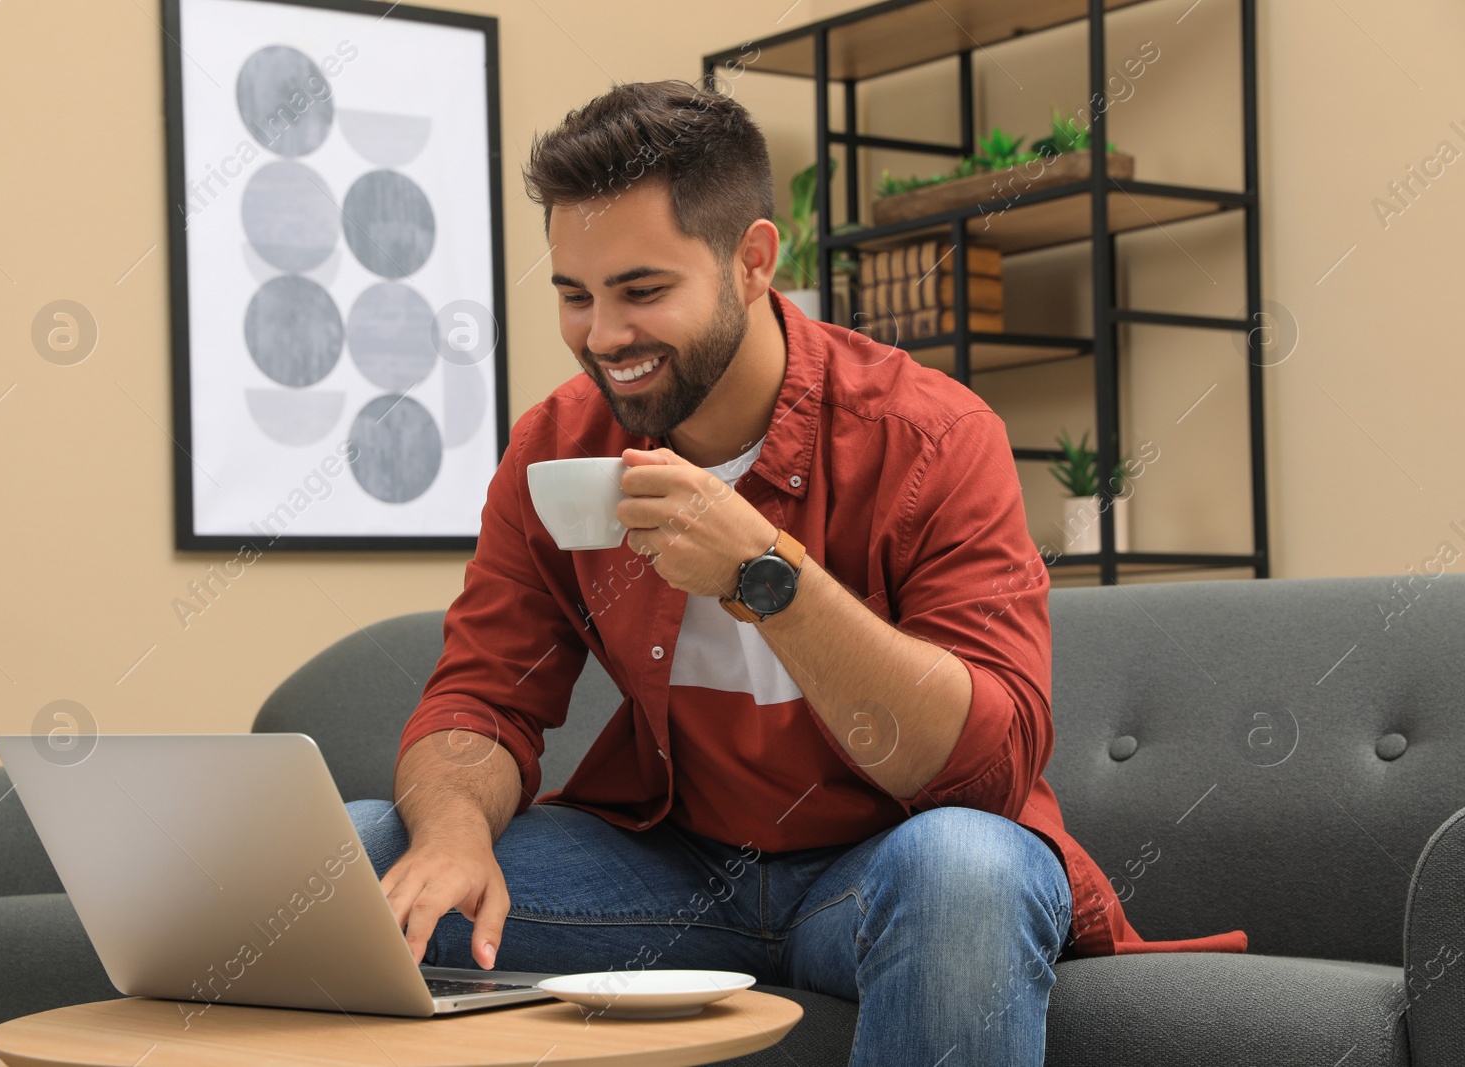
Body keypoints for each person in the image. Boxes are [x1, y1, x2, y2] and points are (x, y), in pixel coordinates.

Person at [344, 79, 1244, 1066]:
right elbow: (482, 697)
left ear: (754, 261)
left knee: (969, 870)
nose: (602, 337)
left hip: (883, 869)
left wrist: (764, 572)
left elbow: (985, 769)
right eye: (574, 294)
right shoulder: (555, 450)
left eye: (642, 291)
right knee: (357, 854)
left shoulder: (932, 438)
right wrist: (451, 829)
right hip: (665, 868)